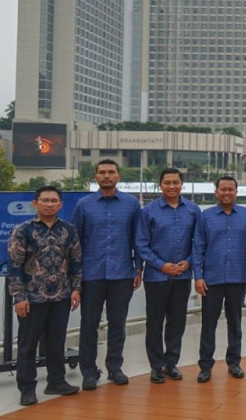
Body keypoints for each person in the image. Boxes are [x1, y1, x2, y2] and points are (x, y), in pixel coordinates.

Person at [71, 159, 143, 391]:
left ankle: (114, 367)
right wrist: (76, 277)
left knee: (117, 324)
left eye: (111, 172)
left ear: (118, 176)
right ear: (96, 176)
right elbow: (76, 244)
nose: (107, 176)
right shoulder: (84, 205)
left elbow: (137, 239)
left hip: (122, 273)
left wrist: (138, 268)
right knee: (89, 325)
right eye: (102, 172)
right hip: (91, 275)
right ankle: (89, 372)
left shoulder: (131, 204)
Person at [8, 186, 83, 406]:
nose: (49, 204)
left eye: (54, 201)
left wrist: (76, 288)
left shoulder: (69, 230)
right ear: (35, 203)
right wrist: (19, 297)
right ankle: (27, 388)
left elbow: (76, 262)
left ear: (60, 204)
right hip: (31, 298)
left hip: (61, 296)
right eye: (45, 200)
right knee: (27, 345)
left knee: (56, 342)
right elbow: (15, 266)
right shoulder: (23, 230)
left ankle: (56, 382)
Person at [136, 168, 201, 384]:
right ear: (160, 185)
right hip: (156, 277)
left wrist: (189, 262)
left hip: (182, 276)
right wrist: (161, 265)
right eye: (167, 183)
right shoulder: (149, 211)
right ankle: (156, 366)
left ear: (182, 184)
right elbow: (141, 244)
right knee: (154, 322)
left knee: (177, 322)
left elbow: (199, 242)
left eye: (175, 182)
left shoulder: (193, 210)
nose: (171, 186)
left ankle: (171, 362)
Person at [192, 176, 246, 383]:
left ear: (236, 192)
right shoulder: (206, 216)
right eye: (223, 189)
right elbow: (198, 247)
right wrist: (198, 276)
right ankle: (205, 366)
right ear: (216, 192)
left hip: (237, 277)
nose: (227, 193)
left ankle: (234, 362)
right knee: (208, 323)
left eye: (231, 189)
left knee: (235, 322)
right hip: (212, 278)